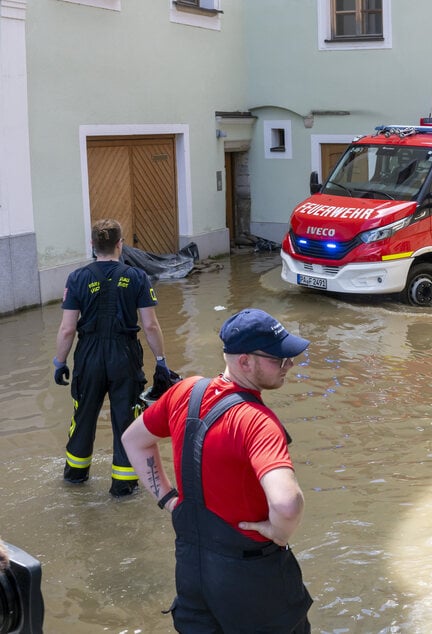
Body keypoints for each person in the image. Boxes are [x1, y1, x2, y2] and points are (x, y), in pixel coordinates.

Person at [121, 308, 313, 633]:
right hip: (253, 584)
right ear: (244, 362)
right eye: (279, 359)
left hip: (193, 575)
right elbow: (286, 503)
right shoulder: (257, 422)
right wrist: (280, 532)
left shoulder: (185, 392)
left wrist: (168, 499)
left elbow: (134, 440)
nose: (289, 364)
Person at [53, 218, 172, 497]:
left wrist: (60, 362)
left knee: (83, 415)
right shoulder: (137, 277)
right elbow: (151, 325)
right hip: (125, 355)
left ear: (93, 245)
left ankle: (75, 477)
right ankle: (123, 486)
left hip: (88, 355)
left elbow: (67, 328)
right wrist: (162, 360)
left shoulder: (77, 278)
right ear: (120, 244)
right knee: (126, 418)